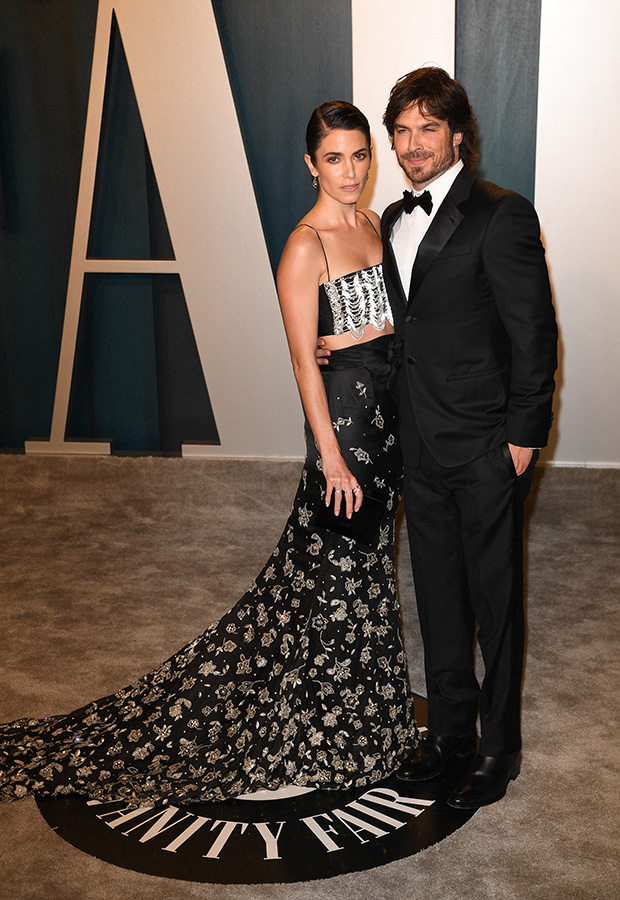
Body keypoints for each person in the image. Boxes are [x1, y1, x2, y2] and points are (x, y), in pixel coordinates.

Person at [0, 101, 416, 806]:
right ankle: (328, 733)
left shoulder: (374, 226)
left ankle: (362, 724)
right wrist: (332, 458)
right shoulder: (304, 246)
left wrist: (353, 337)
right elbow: (300, 362)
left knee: (364, 577)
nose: (351, 172)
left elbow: (383, 327)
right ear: (310, 164)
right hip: (343, 436)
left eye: (360, 155)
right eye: (335, 158)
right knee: (333, 581)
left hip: (387, 432)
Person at [319, 68, 558, 809]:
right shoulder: (390, 219)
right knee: (440, 600)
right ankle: (449, 735)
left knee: (496, 601)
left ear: (458, 135)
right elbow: (403, 327)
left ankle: (498, 747)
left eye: (429, 128)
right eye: (402, 130)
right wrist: (344, 344)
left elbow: (535, 335)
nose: (413, 144)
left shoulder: (502, 215)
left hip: (488, 449)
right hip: (416, 447)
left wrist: (522, 442)